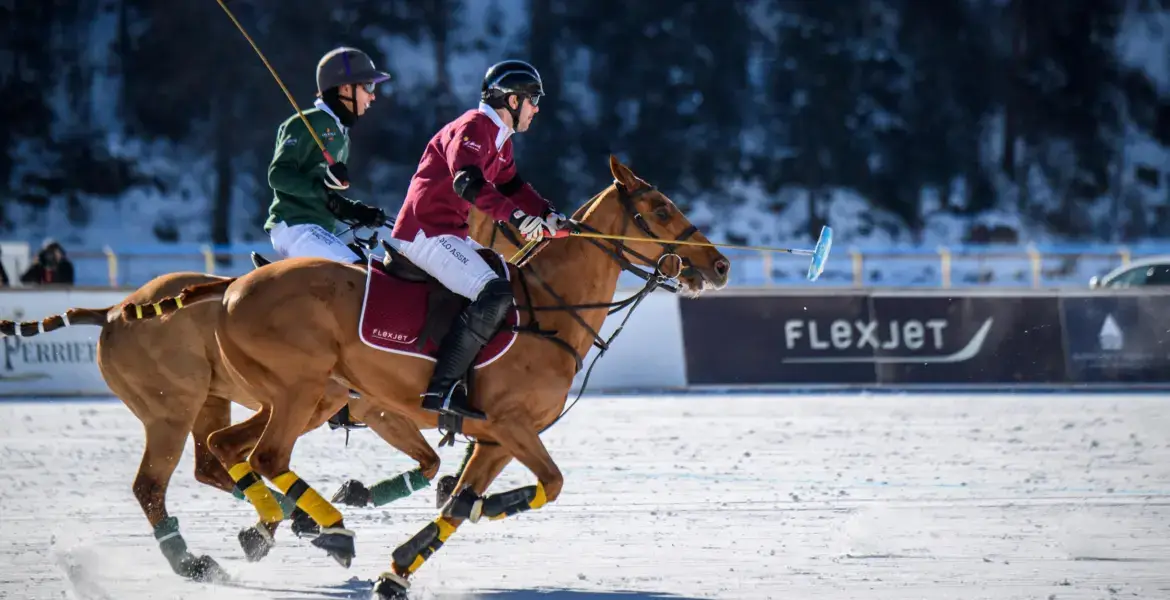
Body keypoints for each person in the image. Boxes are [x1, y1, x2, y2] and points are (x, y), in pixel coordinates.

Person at [390, 59, 568, 421]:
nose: (536, 109)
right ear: (513, 100)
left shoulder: (501, 141)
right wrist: (516, 218)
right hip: (424, 232)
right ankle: (442, 389)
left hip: (449, 233)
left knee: (505, 277)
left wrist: (548, 214)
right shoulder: (474, 127)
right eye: (533, 100)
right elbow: (467, 183)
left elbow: (512, 186)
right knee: (495, 293)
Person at [264, 46, 391, 263]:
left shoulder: (342, 135)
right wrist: (325, 195)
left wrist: (356, 211)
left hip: (320, 229)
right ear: (345, 88)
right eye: (368, 86)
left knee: (371, 267)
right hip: (294, 226)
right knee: (355, 270)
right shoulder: (308, 122)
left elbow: (326, 196)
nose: (372, 96)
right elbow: (277, 175)